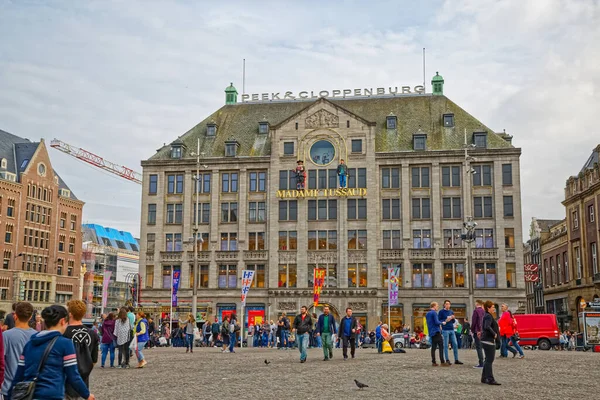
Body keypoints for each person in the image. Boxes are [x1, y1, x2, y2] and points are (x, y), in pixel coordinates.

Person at [10, 305, 95, 400]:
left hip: (29, 395)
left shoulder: (30, 343)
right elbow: (73, 376)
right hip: (52, 394)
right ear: (63, 321)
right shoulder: (65, 344)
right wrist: (86, 394)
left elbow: (18, 375)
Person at [63, 300, 99, 400]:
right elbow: (94, 360)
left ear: (70, 314)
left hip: (66, 382)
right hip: (84, 381)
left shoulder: (63, 333)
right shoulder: (93, 334)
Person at [2, 302, 35, 400]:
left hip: (9, 386)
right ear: (30, 317)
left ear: (15, 316)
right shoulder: (37, 336)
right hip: (30, 387)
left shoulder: (6, 336)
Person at [481, 301, 501, 385]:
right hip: (488, 340)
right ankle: (490, 379)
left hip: (485, 340)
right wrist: (494, 334)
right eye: (492, 307)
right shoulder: (488, 316)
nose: (494, 309)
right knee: (489, 360)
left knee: (487, 360)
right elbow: (487, 326)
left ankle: (484, 377)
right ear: (488, 308)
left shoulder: (487, 315)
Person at [426, 301, 452, 367]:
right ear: (434, 306)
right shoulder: (434, 313)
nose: (438, 307)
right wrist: (442, 323)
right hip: (436, 331)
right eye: (437, 306)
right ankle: (442, 362)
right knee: (441, 346)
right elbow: (436, 322)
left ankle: (433, 361)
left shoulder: (427, 313)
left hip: (431, 332)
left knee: (433, 347)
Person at [438, 300, 463, 365]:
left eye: (449, 304)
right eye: (446, 304)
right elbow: (439, 320)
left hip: (451, 329)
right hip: (445, 329)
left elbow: (453, 322)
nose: (447, 305)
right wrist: (446, 320)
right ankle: (447, 359)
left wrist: (453, 318)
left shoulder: (451, 311)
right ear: (444, 305)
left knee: (455, 344)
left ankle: (456, 359)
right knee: (446, 345)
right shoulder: (441, 312)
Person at [471, 299, 485, 368]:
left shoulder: (476, 311)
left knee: (479, 347)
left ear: (477, 304)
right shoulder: (483, 311)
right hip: (483, 331)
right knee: (483, 347)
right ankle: (484, 361)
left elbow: (474, 322)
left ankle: (481, 363)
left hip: (477, 331)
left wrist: (472, 330)